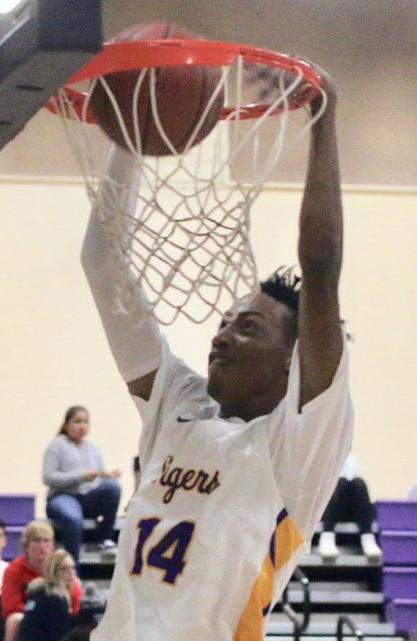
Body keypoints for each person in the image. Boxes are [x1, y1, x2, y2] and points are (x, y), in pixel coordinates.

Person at [80, 63, 353, 641]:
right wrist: (131, 136)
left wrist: (324, 116)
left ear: (292, 362)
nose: (222, 335)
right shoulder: (178, 408)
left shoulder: (294, 446)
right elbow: (102, 263)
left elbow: (321, 270)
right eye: (226, 322)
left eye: (249, 327)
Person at [43, 405, 122, 563]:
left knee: (113, 487)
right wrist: (80, 476)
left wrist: (107, 476)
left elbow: (97, 478)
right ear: (66, 425)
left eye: (86, 422)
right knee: (74, 519)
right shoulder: (56, 445)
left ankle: (105, 540)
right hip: (63, 496)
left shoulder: (93, 449)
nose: (82, 426)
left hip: (87, 498)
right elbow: (48, 477)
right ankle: (72, 569)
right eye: (77, 421)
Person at [318, 453, 382, 561]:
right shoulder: (324, 459)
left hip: (354, 511)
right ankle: (327, 536)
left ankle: (368, 538)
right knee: (340, 483)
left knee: (359, 482)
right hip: (331, 510)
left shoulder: (352, 459)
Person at [1, 520, 54, 641]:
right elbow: (11, 606)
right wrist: (38, 612)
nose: (42, 546)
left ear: (52, 544)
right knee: (14, 619)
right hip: (27, 615)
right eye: (36, 541)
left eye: (46, 541)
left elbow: (75, 592)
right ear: (26, 545)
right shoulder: (13, 570)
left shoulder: (60, 566)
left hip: (56, 613)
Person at [18, 549, 83, 641]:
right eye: (64, 569)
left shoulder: (38, 592)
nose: (71, 572)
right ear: (53, 571)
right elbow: (59, 635)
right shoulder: (56, 599)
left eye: (72, 567)